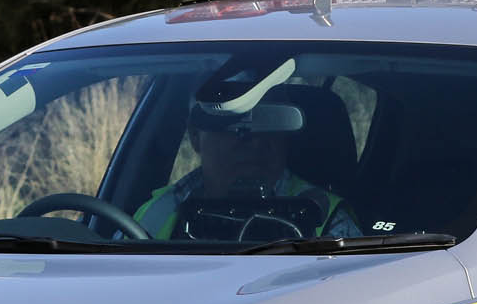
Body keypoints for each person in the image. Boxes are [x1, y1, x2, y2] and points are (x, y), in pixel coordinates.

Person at [135, 91, 359, 240]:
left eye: (270, 124)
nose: (255, 141)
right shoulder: (157, 212)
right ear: (195, 136)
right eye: (234, 126)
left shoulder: (328, 221)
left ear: (285, 138)